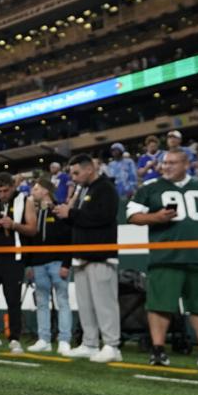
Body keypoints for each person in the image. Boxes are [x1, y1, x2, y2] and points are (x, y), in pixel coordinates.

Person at [126, 149, 198, 369]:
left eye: (173, 163)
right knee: (160, 305)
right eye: (164, 163)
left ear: (186, 164)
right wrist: (156, 217)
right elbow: (132, 216)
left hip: (197, 257)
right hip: (165, 256)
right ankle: (158, 350)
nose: (167, 167)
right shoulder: (151, 188)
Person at [55, 154, 122, 362]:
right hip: (82, 255)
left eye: (76, 172)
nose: (73, 178)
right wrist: (66, 214)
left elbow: (104, 217)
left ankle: (112, 345)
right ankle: (90, 342)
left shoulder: (106, 188)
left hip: (101, 255)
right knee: (85, 304)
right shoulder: (83, 190)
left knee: (105, 303)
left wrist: (71, 214)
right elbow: (80, 221)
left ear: (89, 169)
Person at [0, 172, 38, 352]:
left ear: (13, 187)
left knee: (13, 300)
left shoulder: (25, 200)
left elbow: (33, 229)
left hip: (13, 258)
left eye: (6, 190)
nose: (2, 194)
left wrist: (14, 225)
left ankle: (14, 339)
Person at [25, 178, 72, 354]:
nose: (33, 192)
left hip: (58, 262)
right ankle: (43, 338)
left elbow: (69, 237)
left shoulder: (60, 209)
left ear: (45, 191)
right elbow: (30, 240)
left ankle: (64, 340)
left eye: (36, 189)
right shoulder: (33, 212)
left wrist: (66, 263)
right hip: (38, 263)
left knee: (62, 301)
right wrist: (28, 264)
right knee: (42, 302)